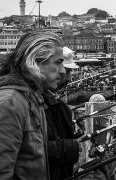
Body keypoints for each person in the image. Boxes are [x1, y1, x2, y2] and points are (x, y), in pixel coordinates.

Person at [0, 31, 65, 180]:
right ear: (35, 62)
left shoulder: (33, 99)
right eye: (58, 62)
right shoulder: (9, 104)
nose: (62, 71)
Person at [44, 46, 81, 180]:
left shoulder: (60, 106)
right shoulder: (31, 102)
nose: (69, 78)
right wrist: (70, 148)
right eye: (67, 71)